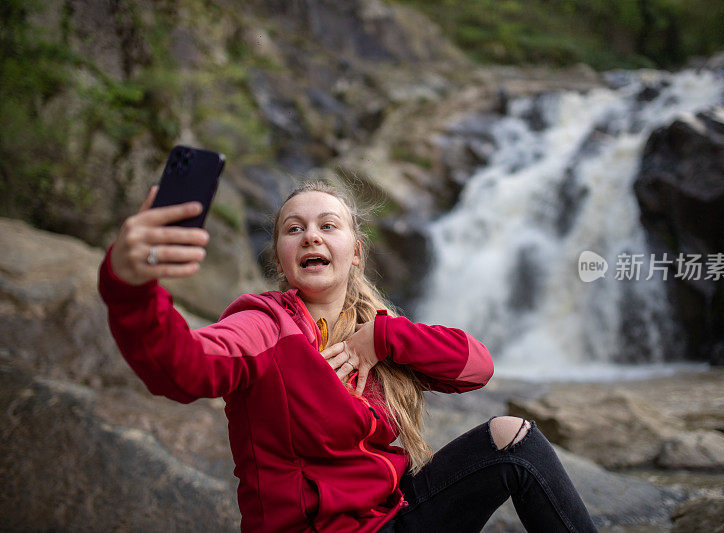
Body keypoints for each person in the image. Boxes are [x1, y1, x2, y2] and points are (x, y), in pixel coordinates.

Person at [98, 179, 597, 532]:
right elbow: (183, 368)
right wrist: (131, 287)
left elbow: (477, 367)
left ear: (355, 250)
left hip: (395, 518)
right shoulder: (263, 325)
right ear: (280, 257)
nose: (311, 235)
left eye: (327, 226)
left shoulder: (376, 338)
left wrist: (384, 338)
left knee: (513, 439)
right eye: (294, 229)